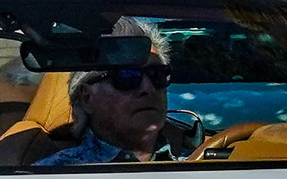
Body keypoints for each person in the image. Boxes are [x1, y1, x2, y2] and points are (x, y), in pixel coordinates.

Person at [34, 54, 183, 167]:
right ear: (87, 97)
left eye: (157, 74)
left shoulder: (199, 158)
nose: (148, 88)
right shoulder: (55, 174)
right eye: (126, 76)